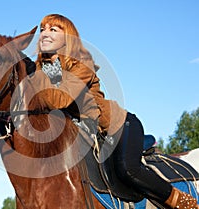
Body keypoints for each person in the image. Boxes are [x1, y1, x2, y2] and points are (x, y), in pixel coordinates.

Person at [27, 13, 199, 209]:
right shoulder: (40, 71)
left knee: (128, 170)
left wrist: (34, 84)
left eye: (53, 29)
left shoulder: (82, 63)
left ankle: (182, 201)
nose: (44, 34)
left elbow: (61, 99)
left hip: (117, 125)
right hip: (82, 135)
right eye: (42, 30)